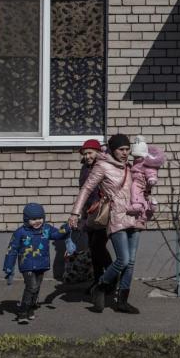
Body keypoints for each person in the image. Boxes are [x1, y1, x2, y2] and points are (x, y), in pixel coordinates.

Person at [70, 133, 142, 314]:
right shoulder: (102, 166)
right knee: (123, 259)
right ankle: (101, 286)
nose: (125, 153)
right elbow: (86, 188)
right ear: (112, 149)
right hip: (117, 217)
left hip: (134, 216)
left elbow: (137, 190)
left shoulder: (130, 167)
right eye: (121, 149)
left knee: (131, 262)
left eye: (127, 149)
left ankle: (122, 301)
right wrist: (75, 213)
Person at [3, 202, 70, 324]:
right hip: (27, 264)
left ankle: (30, 309)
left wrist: (67, 227)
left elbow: (57, 234)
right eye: (33, 219)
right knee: (31, 287)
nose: (37, 221)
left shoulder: (46, 229)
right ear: (26, 219)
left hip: (41, 264)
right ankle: (22, 312)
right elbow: (12, 249)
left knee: (36, 288)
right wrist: (8, 266)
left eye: (40, 218)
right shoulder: (20, 232)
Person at [78, 138, 112, 288]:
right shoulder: (85, 168)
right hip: (89, 214)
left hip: (102, 213)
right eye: (85, 154)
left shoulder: (104, 166)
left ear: (98, 152)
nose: (87, 156)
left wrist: (99, 201)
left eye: (90, 153)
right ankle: (98, 281)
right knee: (93, 250)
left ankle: (112, 278)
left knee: (98, 247)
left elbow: (110, 188)